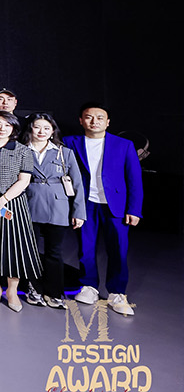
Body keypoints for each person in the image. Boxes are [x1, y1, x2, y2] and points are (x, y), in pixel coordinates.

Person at [63, 103, 143, 316]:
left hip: (115, 205)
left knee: (118, 249)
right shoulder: (70, 142)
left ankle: (117, 292)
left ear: (107, 122)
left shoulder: (124, 145)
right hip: (85, 203)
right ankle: (89, 286)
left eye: (100, 117)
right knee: (86, 247)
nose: (94, 121)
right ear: (81, 120)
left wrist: (134, 209)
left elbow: (134, 179)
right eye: (89, 117)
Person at [0, 110, 41, 312]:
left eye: (7, 125)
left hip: (13, 203)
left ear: (13, 128)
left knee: (15, 247)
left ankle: (12, 290)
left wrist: (2, 200)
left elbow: (24, 181)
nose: (2, 128)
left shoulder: (23, 150)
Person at [20, 112, 85, 310]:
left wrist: (79, 212)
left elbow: (77, 184)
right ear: (30, 129)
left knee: (54, 252)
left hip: (58, 208)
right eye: (37, 127)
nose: (42, 131)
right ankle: (33, 289)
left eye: (46, 128)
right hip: (28, 205)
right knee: (30, 251)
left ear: (52, 131)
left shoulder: (64, 153)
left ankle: (54, 293)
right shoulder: (21, 150)